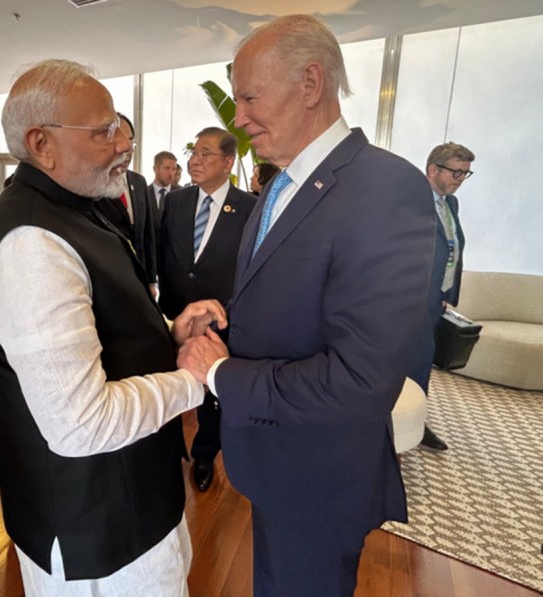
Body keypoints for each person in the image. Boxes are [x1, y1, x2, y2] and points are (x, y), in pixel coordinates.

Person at [177, 15, 437, 595]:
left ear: (311, 84)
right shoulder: (282, 183)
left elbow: (359, 379)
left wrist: (219, 371)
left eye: (248, 96)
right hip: (278, 460)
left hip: (317, 475)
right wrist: (227, 313)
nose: (237, 117)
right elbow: (306, 290)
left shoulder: (385, 188)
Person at [0, 58, 225, 595]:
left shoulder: (75, 208)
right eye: (103, 130)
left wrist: (169, 333)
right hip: (98, 531)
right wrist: (194, 378)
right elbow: (80, 423)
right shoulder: (30, 243)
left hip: (130, 502)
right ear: (41, 144)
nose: (123, 143)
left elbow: (101, 332)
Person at [157, 126, 256, 492]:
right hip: (175, 314)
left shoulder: (249, 208)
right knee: (166, 383)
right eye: (193, 153)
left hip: (219, 318)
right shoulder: (176, 201)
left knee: (211, 394)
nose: (195, 161)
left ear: (228, 161)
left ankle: (203, 456)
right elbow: (165, 254)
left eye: (205, 153)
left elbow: (250, 267)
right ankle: (164, 452)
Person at [410, 142, 475, 452]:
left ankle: (414, 421)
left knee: (422, 362)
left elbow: (453, 248)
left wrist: (448, 292)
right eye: (456, 172)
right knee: (413, 360)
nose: (460, 179)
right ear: (433, 169)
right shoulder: (409, 202)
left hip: (436, 299)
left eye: (465, 173)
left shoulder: (451, 204)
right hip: (410, 299)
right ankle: (404, 423)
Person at [95, 113, 158, 292]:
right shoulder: (93, 185)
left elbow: (147, 235)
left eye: (131, 141)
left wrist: (151, 280)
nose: (127, 148)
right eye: (118, 140)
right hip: (109, 281)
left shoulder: (138, 181)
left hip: (139, 276)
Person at [147, 150, 179, 223]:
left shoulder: (182, 193)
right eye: (166, 168)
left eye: (173, 169)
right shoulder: (143, 193)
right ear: (155, 169)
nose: (171, 173)